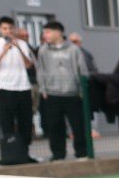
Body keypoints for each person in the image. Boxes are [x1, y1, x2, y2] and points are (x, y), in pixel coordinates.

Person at [35, 21, 93, 160]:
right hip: (52, 94)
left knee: (78, 126)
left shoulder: (73, 49)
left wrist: (81, 90)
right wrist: (43, 89)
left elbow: (82, 70)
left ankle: (82, 153)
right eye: (44, 32)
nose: (45, 35)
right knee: (54, 127)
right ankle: (58, 154)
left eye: (48, 32)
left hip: (73, 94)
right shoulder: (43, 50)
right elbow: (40, 70)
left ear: (58, 32)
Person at [0, 16, 37, 165]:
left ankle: (24, 153)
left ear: (14, 29)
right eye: (5, 28)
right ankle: (10, 154)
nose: (8, 31)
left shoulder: (22, 44)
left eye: (10, 28)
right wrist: (4, 52)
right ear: (0, 29)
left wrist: (19, 47)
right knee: (7, 122)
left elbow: (28, 65)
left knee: (25, 122)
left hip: (23, 87)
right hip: (5, 88)